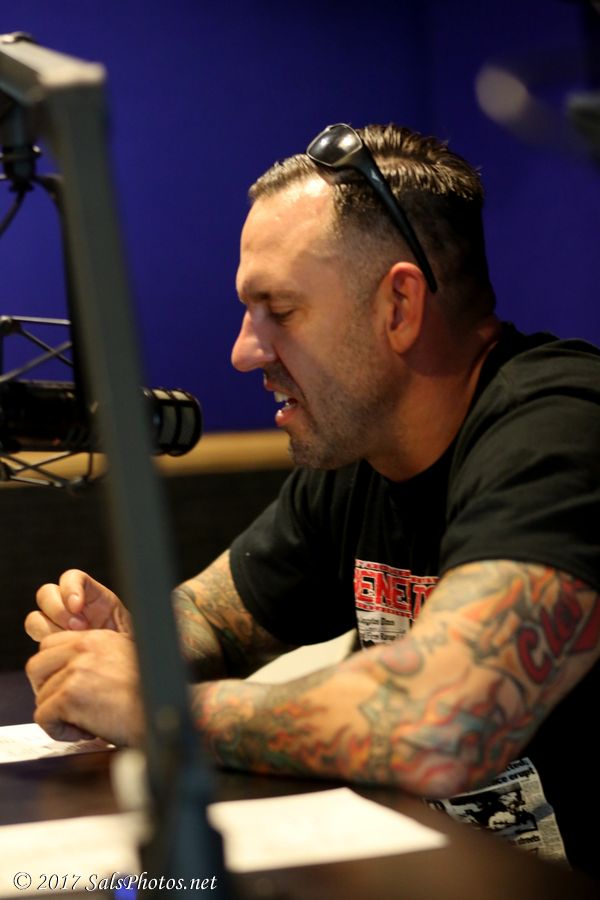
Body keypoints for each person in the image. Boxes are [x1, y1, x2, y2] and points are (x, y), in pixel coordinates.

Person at [24, 123, 600, 878]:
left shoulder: (562, 428)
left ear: (399, 306)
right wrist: (128, 647)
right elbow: (212, 618)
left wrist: (156, 709)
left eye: (280, 309)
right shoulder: (363, 450)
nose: (244, 352)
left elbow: (443, 720)